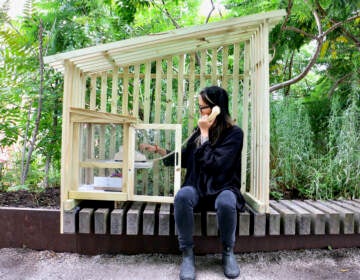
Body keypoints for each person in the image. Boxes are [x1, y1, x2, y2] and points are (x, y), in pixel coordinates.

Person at [140, 86, 245, 280]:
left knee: (226, 202)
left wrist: (204, 135)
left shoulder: (234, 134)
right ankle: (187, 255)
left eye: (202, 107)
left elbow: (216, 165)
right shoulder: (199, 132)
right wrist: (157, 150)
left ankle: (228, 252)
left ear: (217, 109)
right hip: (198, 187)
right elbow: (185, 157)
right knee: (182, 196)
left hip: (223, 187)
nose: (200, 112)